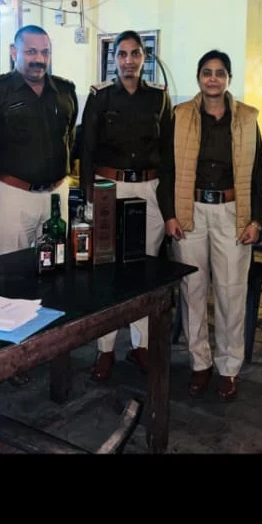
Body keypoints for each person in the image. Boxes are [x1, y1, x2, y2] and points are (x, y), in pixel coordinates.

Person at [166, 50, 262, 400]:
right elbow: (168, 168)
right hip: (190, 211)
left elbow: (260, 172)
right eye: (207, 72)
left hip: (232, 213)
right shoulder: (180, 116)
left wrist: (256, 219)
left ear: (228, 79)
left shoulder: (247, 119)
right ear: (198, 78)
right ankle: (200, 363)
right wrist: (170, 215)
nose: (213, 78)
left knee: (230, 292)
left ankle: (228, 367)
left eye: (220, 73)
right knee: (192, 291)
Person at [80, 29, 174, 380]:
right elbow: (87, 148)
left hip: (149, 187)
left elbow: (168, 152)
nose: (129, 60)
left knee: (143, 268)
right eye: (122, 54)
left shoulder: (159, 98)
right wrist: (89, 195)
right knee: (107, 269)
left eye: (135, 54)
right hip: (109, 187)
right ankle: (105, 349)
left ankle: (140, 345)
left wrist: (167, 203)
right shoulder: (100, 96)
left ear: (144, 59)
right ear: (114, 59)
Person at [0, 24, 78, 255]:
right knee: (11, 266)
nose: (39, 59)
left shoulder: (64, 91)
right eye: (31, 52)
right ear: (14, 52)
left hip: (57, 194)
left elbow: (69, 138)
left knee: (56, 261)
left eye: (45, 52)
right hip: (14, 196)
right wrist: (4, 182)